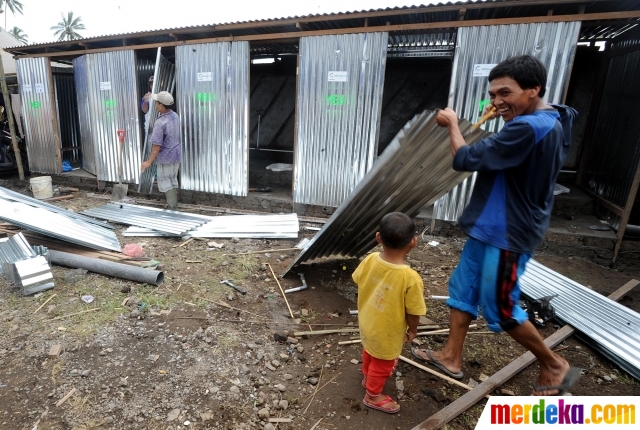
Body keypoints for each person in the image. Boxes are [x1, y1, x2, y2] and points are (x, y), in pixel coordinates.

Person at [412, 55, 579, 396]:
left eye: (506, 93)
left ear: (534, 90)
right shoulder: (550, 117)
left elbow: (466, 159)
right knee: (463, 288)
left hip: (509, 231)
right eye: (493, 95)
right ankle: (450, 356)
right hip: (490, 225)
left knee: (500, 306)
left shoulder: (528, 127)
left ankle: (553, 364)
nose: (497, 102)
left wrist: (454, 125)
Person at [352, 212, 427, 413]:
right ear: (413, 242)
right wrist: (413, 329)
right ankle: (373, 395)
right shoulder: (410, 278)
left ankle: (368, 377)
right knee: (384, 362)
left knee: (370, 350)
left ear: (378, 238)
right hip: (388, 331)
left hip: (367, 322)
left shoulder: (370, 259)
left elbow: (357, 279)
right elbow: (414, 311)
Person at [140, 91, 181, 210]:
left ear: (161, 105)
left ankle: (173, 208)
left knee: (165, 181)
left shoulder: (160, 123)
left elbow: (156, 146)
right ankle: (174, 205)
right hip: (176, 155)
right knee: (172, 179)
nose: (155, 105)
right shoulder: (175, 115)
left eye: (156, 103)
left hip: (166, 157)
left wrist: (148, 162)